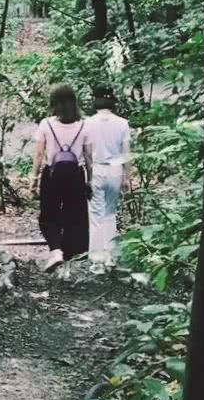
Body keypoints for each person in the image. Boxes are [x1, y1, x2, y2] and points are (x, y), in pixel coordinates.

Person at [31, 84, 92, 273]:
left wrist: (33, 178)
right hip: (76, 176)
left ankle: (56, 251)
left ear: (54, 103)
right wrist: (90, 180)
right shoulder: (84, 124)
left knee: (48, 216)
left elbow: (39, 155)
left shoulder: (46, 124)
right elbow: (89, 157)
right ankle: (70, 260)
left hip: (52, 175)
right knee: (75, 217)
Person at [85, 84, 132, 268]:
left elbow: (87, 153)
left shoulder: (88, 123)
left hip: (95, 169)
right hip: (115, 170)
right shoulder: (122, 123)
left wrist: (87, 176)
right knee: (110, 213)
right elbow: (126, 152)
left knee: (95, 214)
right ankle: (110, 256)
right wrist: (127, 176)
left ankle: (97, 260)